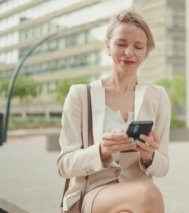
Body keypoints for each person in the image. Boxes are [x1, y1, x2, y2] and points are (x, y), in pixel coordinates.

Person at [57, 9, 171, 213]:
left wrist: (149, 156)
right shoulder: (80, 95)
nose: (129, 52)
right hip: (91, 191)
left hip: (134, 195)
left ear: (146, 51)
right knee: (149, 194)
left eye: (138, 47)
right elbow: (64, 165)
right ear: (108, 45)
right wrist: (101, 151)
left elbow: (163, 166)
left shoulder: (158, 96)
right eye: (121, 44)